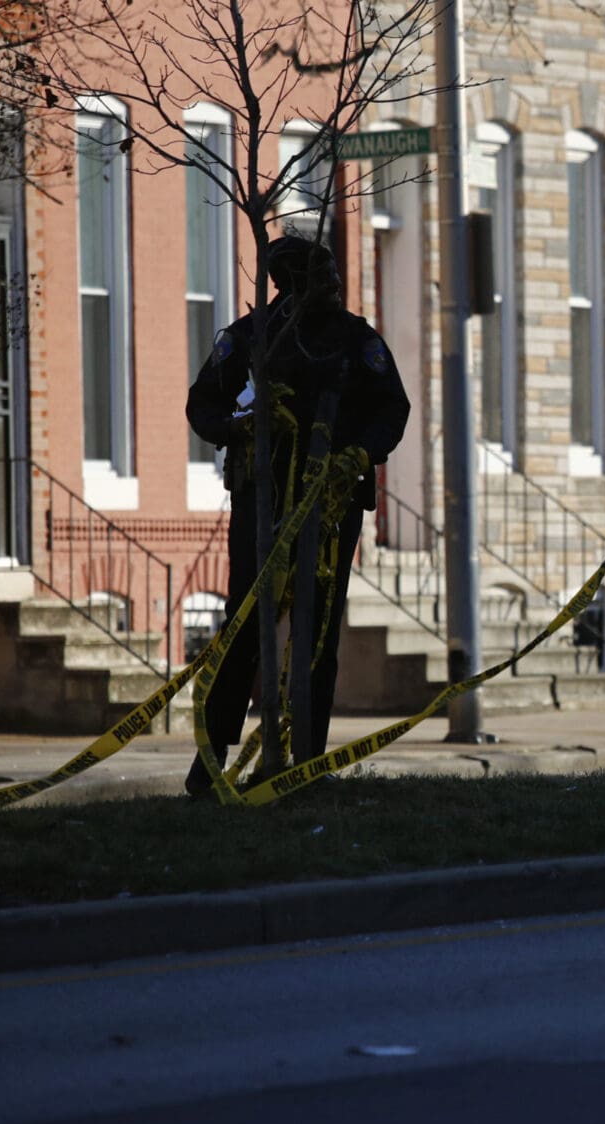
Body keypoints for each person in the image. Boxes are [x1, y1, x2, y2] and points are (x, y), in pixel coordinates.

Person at [184, 236, 410, 797]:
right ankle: (210, 764)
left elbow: (392, 406)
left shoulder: (357, 340)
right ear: (289, 283)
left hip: (331, 505)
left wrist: (361, 452)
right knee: (243, 625)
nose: (333, 287)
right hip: (263, 500)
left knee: (319, 632)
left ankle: (306, 761)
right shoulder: (255, 335)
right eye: (320, 278)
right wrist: (243, 424)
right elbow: (203, 403)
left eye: (333, 276)